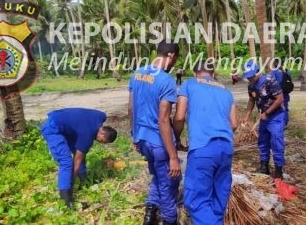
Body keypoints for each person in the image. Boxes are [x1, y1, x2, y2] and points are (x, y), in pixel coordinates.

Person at [174, 58, 238, 225]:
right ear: (213, 73)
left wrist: (176, 138)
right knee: (219, 197)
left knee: (196, 200)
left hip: (203, 148)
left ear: (195, 73)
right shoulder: (226, 91)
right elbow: (234, 124)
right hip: (225, 148)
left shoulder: (189, 84)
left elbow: (179, 117)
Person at [128, 41, 181, 225]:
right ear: (172, 55)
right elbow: (163, 119)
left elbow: (131, 108)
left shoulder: (137, 73)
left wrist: (134, 135)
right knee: (169, 184)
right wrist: (173, 156)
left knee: (158, 177)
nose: (174, 64)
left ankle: (149, 215)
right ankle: (169, 220)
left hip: (142, 139)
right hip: (159, 142)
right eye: (176, 59)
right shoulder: (166, 80)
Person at [40, 108, 117, 207]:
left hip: (65, 125)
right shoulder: (87, 136)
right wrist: (71, 182)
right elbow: (77, 161)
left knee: (80, 151)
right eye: (102, 141)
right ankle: (66, 199)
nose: (100, 142)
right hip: (52, 128)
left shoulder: (101, 116)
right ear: (102, 133)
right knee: (66, 161)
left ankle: (84, 180)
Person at [241, 59, 286, 179]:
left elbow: (280, 99)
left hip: (276, 116)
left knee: (276, 142)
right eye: (248, 77)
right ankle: (264, 167)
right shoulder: (251, 85)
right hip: (264, 117)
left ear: (257, 72)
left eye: (252, 76)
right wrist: (247, 116)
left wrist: (267, 112)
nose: (250, 79)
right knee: (263, 141)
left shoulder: (270, 81)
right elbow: (252, 100)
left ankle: (278, 170)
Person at [270, 58, 293, 127]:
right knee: (285, 107)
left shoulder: (274, 71)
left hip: (278, 93)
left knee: (278, 108)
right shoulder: (287, 71)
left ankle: (280, 123)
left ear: (275, 64)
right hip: (286, 92)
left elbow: (271, 82)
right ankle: (285, 122)